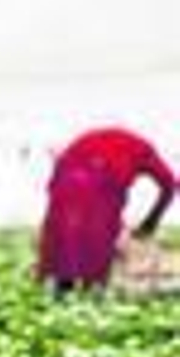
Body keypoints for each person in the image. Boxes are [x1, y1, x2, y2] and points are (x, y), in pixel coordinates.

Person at [37, 126, 175, 293]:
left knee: (66, 236)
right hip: (100, 174)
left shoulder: (125, 145)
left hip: (69, 175)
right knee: (98, 237)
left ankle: (64, 288)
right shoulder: (145, 151)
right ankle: (89, 288)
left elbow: (59, 173)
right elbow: (169, 185)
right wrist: (151, 222)